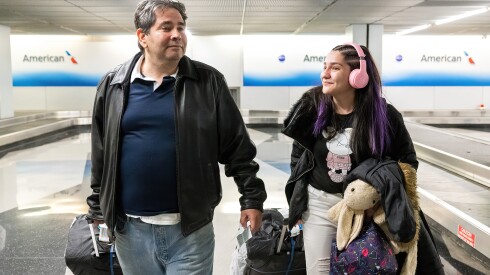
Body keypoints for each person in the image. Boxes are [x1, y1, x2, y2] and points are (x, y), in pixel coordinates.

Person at [86, 0, 267, 274]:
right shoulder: (113, 84)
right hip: (130, 230)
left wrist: (251, 198)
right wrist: (98, 209)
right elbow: (102, 153)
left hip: (190, 229)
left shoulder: (208, 82)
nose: (177, 35)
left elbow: (237, 146)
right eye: (166, 27)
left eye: (181, 28)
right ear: (142, 36)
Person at [282, 42, 444, 274]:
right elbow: (299, 160)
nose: (325, 74)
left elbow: (408, 162)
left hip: (366, 211)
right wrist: (297, 207)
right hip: (319, 206)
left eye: (335, 68)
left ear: (358, 75)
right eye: (324, 66)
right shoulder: (312, 109)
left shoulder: (385, 116)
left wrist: (378, 197)